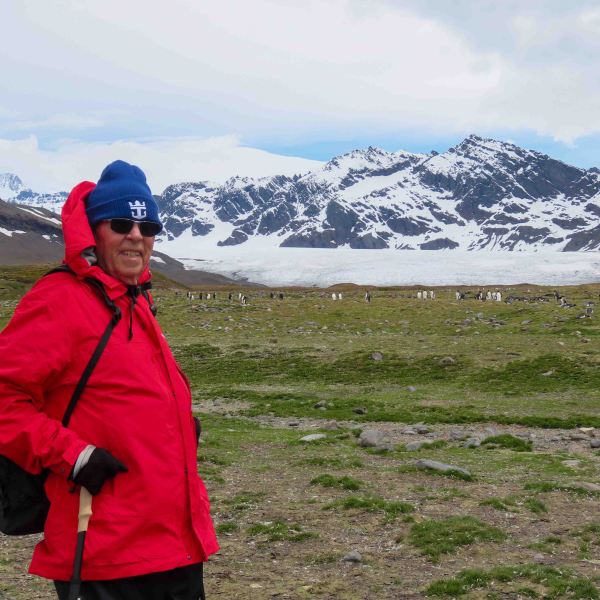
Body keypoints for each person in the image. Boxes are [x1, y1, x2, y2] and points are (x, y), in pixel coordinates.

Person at [0, 160, 218, 599]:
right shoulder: (61, 299)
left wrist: (175, 428)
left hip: (175, 542)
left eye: (147, 226)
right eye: (121, 224)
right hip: (105, 548)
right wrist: (74, 455)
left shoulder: (134, 301)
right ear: (94, 232)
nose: (136, 235)